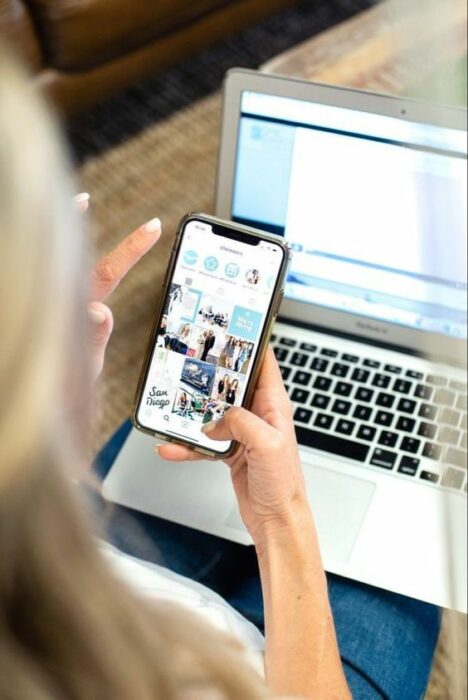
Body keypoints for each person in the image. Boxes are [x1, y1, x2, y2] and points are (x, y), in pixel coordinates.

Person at [0, 44, 441, 700]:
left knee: (173, 440)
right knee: (413, 533)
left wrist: (45, 433)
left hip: (91, 570)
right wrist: (284, 515)